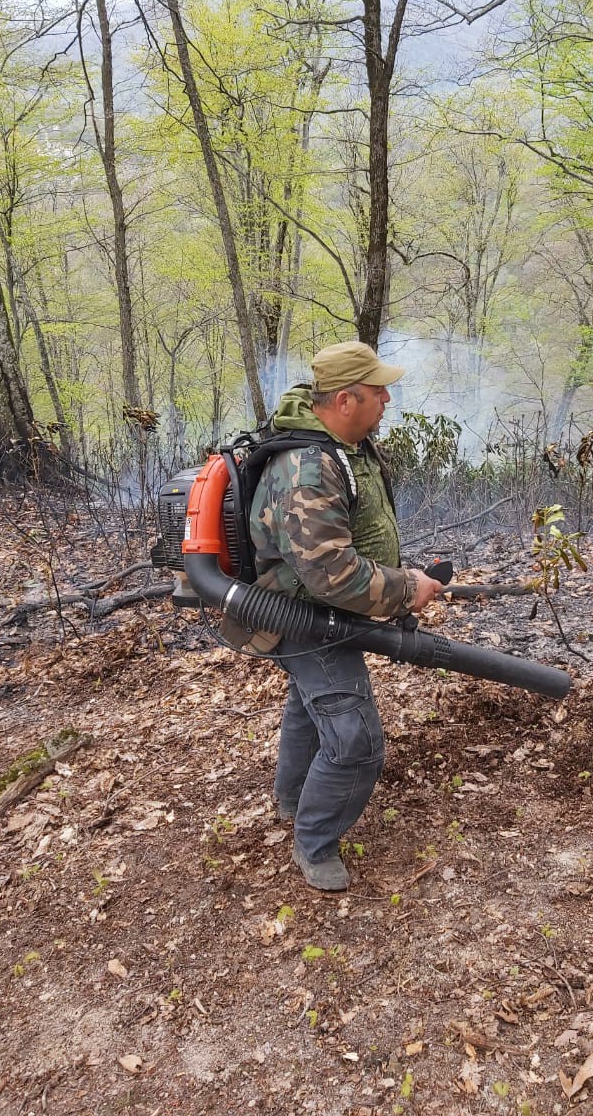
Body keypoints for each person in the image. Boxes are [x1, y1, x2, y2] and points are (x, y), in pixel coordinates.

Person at [246, 340, 444, 891]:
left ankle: (291, 800)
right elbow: (329, 573)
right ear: (344, 399)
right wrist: (406, 589)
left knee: (309, 707)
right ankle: (314, 843)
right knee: (355, 741)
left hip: (325, 613)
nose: (386, 399)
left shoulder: (344, 445)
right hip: (307, 617)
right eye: (377, 390)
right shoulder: (308, 467)